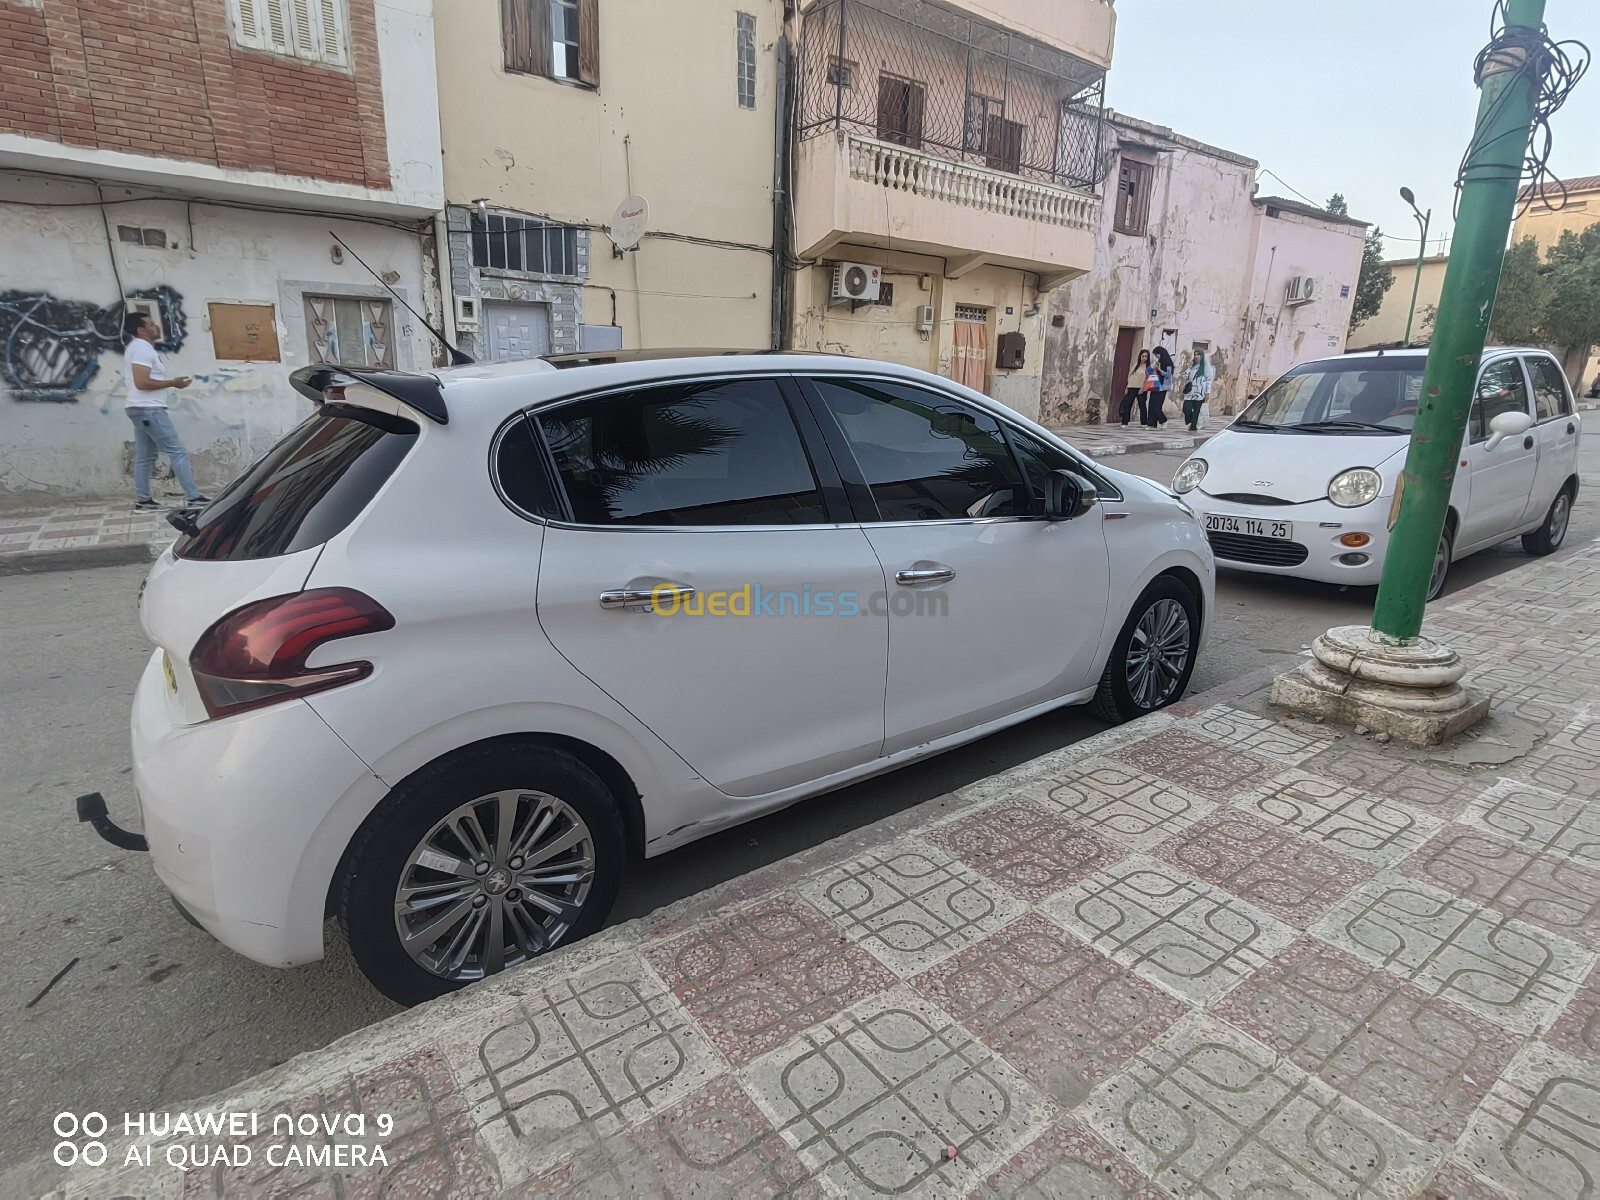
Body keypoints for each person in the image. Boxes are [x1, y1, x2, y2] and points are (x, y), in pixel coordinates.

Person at [123, 312, 209, 509]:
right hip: (149, 409)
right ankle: (194, 498)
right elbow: (142, 382)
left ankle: (144, 501)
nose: (156, 326)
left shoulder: (138, 348)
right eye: (151, 324)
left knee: (145, 456)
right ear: (141, 330)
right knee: (177, 452)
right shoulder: (142, 349)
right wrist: (173, 383)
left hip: (140, 408)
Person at [1180, 348, 1216, 431]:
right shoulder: (1193, 366)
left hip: (1200, 392)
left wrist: (1207, 392)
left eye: (1198, 354)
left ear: (1202, 356)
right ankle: (1190, 422)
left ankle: (1193, 427)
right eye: (1195, 354)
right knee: (1186, 408)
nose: (1196, 356)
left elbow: (1208, 380)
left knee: (1196, 411)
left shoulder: (1206, 367)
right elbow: (1185, 377)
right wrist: (1189, 367)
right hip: (1190, 392)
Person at [1119, 349, 1152, 425]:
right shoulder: (1135, 365)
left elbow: (1148, 380)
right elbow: (1130, 376)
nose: (1144, 358)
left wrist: (1143, 388)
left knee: (1142, 406)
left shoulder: (1149, 367)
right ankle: (1124, 422)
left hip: (1141, 389)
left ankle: (1144, 423)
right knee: (1128, 405)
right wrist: (1127, 387)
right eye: (1142, 356)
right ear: (1140, 356)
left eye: (1146, 356)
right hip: (1131, 387)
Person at [1147, 346, 1174, 426]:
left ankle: (1163, 420)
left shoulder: (1168, 364)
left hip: (1163, 388)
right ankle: (1151, 424)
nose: (1156, 357)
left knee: (1157, 406)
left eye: (1157, 355)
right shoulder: (1157, 363)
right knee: (1151, 405)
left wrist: (1159, 370)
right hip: (1155, 386)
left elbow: (1168, 375)